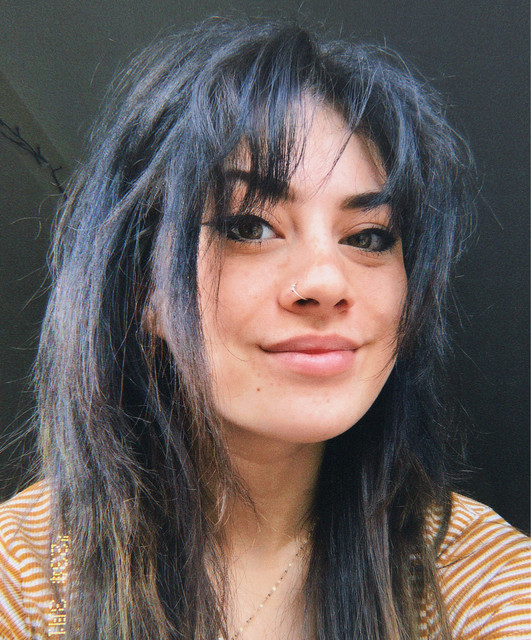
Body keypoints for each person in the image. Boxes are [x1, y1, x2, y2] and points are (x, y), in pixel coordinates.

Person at [0, 19, 529, 640]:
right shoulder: (25, 573)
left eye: (369, 238)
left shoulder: (473, 572)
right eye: (249, 228)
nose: (326, 281)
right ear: (144, 288)